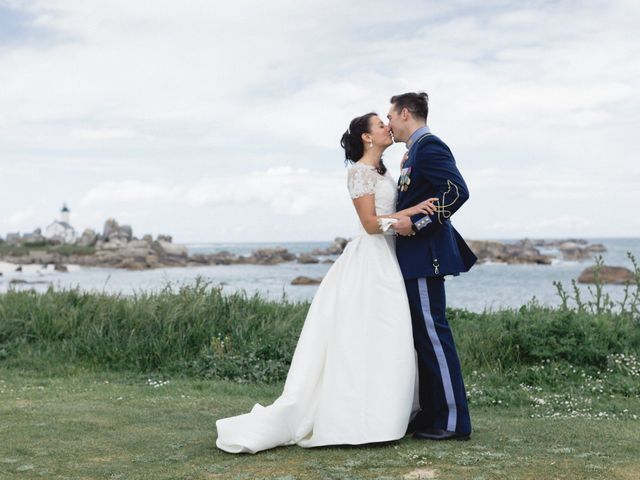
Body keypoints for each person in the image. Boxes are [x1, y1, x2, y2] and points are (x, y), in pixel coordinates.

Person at [215, 112, 437, 454]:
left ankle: (387, 414)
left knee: (387, 335)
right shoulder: (358, 173)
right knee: (365, 334)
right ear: (366, 136)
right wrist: (402, 221)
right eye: (380, 125)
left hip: (388, 259)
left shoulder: (382, 171)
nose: (386, 128)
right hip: (371, 260)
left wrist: (415, 208)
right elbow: (368, 224)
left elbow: (388, 209)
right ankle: (357, 417)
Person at [387, 92, 477, 441]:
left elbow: (458, 191)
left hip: (426, 256)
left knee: (435, 338)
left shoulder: (431, 146)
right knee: (423, 340)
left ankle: (454, 423)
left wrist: (419, 225)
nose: (389, 123)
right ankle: (431, 414)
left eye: (391, 116)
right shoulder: (415, 152)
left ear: (405, 113)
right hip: (412, 258)